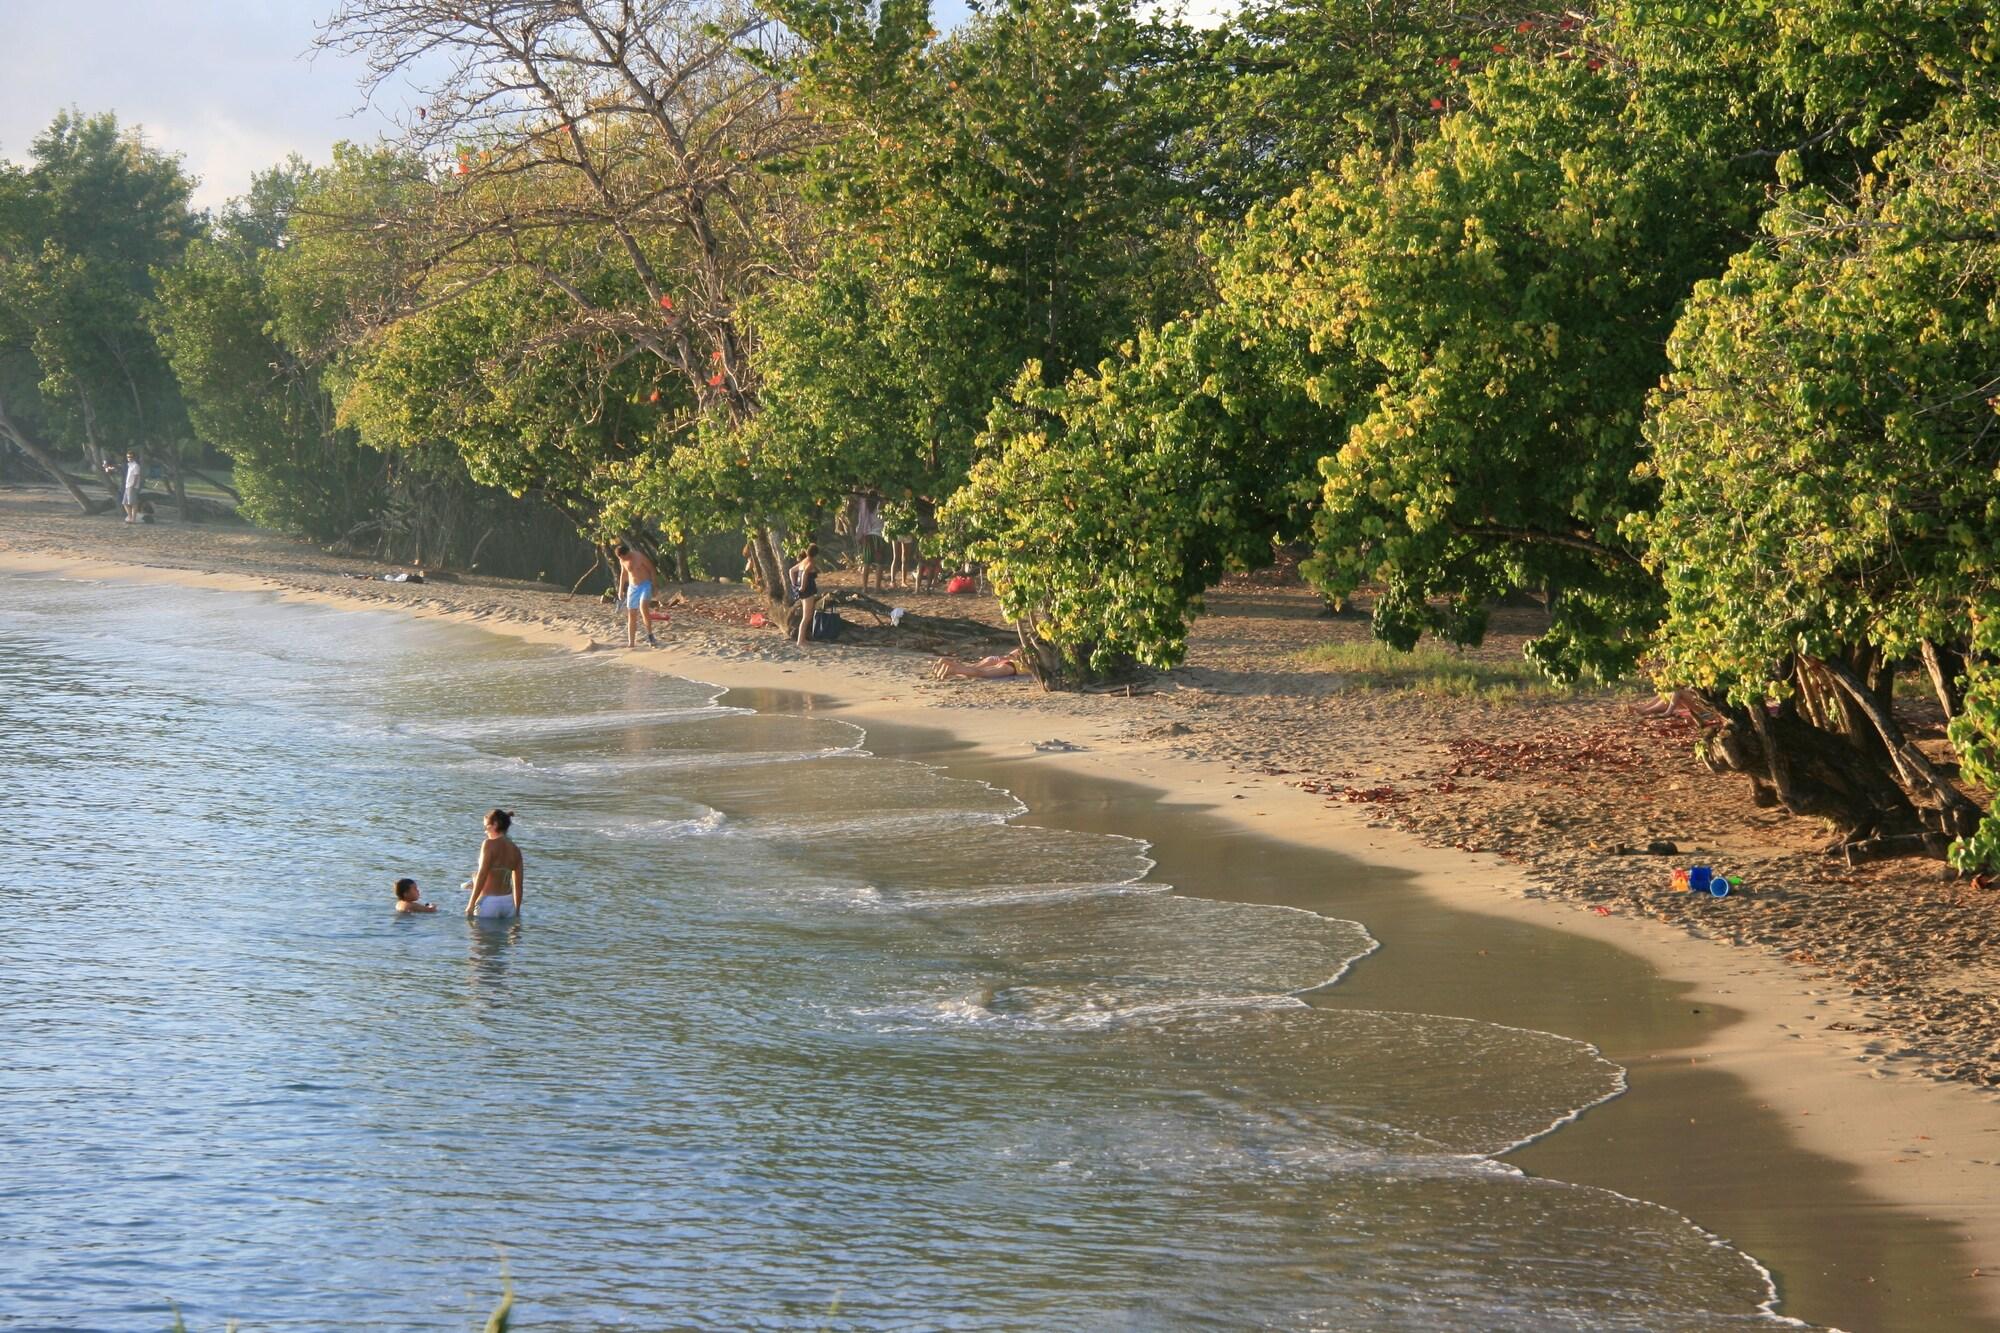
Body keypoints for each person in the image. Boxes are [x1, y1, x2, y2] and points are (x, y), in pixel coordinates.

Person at [463, 808, 525, 919]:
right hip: (508, 903)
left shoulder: (488, 844)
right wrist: (517, 911)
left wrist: (471, 904)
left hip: (489, 903)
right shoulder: (516, 850)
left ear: (495, 825)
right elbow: (518, 885)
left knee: (477, 935)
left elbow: (483, 874)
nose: (485, 831)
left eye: (486, 826)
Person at [614, 541, 659, 649]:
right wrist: (620, 590)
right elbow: (623, 574)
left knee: (643, 608)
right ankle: (631, 642)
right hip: (633, 587)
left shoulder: (639, 557)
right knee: (632, 613)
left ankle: (650, 635)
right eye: (620, 558)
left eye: (623, 557)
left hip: (645, 585)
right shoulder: (622, 560)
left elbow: (652, 569)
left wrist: (655, 586)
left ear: (627, 553)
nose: (622, 560)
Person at [790, 543, 821, 646]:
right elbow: (804, 573)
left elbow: (791, 571)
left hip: (804, 591)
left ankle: (802, 639)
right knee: (807, 616)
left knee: (806, 615)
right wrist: (802, 587)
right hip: (807, 591)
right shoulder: (810, 562)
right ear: (816, 554)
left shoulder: (804, 561)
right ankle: (800, 640)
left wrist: (795, 584)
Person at [930, 651, 1027, 681]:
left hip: (1001, 660)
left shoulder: (1031, 646)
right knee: (980, 673)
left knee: (971, 669)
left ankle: (947, 663)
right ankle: (951, 670)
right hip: (1011, 666)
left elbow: (1014, 653)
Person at [121, 452, 142, 523]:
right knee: (125, 503)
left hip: (132, 486)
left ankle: (133, 519)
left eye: (131, 457)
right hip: (127, 485)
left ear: (134, 457)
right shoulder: (129, 465)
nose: (129, 458)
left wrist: (133, 485)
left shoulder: (136, 466)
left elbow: (136, 476)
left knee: (133, 503)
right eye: (128, 457)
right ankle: (130, 517)